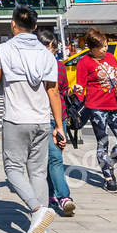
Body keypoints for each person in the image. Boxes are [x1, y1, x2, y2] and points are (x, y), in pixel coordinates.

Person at [0, 6, 68, 233]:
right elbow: (53, 92)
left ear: (13, 25)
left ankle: (37, 210)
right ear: (35, 27)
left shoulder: (4, 50)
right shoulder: (47, 54)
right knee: (37, 172)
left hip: (16, 119)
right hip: (42, 120)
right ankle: (41, 227)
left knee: (13, 170)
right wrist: (59, 126)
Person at [75, 28, 117, 193]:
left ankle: (109, 163)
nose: (105, 49)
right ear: (92, 48)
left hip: (114, 107)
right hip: (96, 108)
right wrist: (76, 93)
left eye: (106, 45)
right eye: (102, 46)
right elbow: (80, 86)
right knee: (103, 142)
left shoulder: (110, 58)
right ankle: (109, 178)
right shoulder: (84, 62)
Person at [37, 27, 76, 218]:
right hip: (41, 118)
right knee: (52, 158)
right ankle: (62, 196)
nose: (52, 51)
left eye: (53, 48)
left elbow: (63, 89)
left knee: (54, 157)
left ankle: (54, 194)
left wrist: (73, 91)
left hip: (60, 117)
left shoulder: (59, 66)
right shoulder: (33, 66)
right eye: (50, 47)